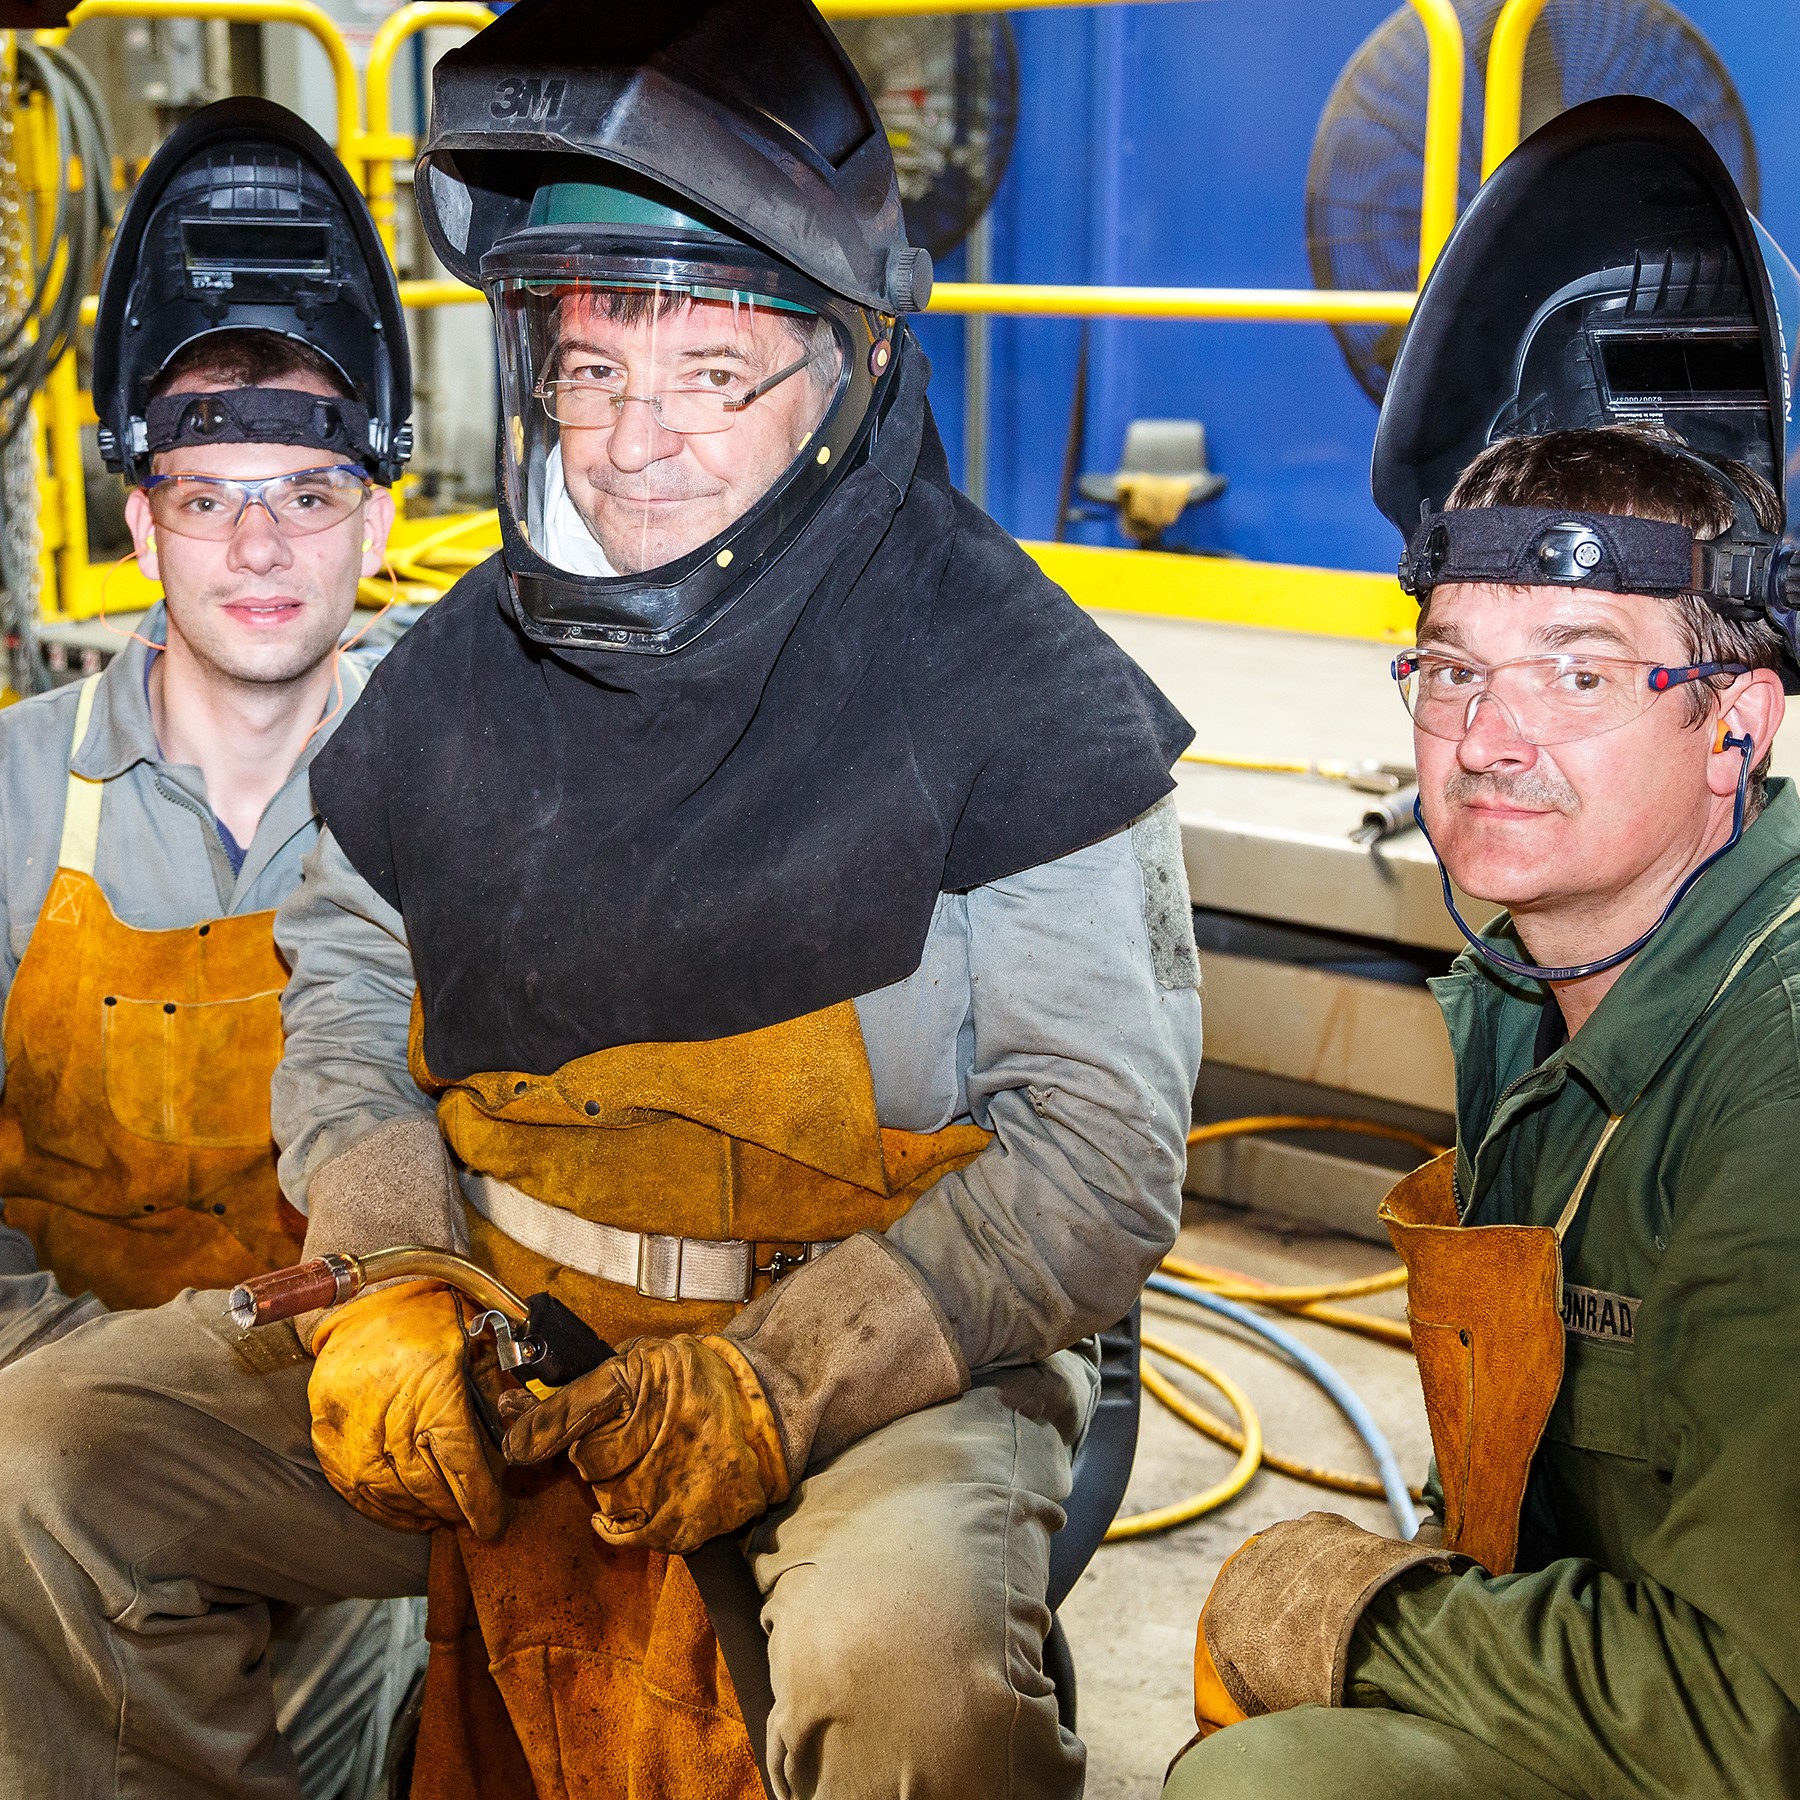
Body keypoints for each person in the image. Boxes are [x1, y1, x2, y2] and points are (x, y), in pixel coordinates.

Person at [0, 4, 1203, 1798]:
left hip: (867, 1354)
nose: (633, 440)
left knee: (910, 1677)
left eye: (709, 372)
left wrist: (785, 1379)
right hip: (498, 1319)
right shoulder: (457, 675)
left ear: (847, 370)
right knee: (53, 1457)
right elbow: (342, 999)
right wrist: (398, 1272)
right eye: (591, 368)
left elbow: (1098, 1153)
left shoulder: (1013, 691)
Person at [1165, 97, 1800, 1799]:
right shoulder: (1536, 986)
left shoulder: (1778, 1082)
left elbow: (1753, 1713)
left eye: (1584, 670)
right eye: (1454, 667)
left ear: (1737, 718)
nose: (1491, 736)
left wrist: (1374, 1614)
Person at [0, 99, 424, 1797]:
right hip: (45, 1464)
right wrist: (80, 1406)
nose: (260, 542)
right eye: (212, 489)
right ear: (143, 515)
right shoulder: (21, 797)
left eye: (310, 489)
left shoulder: (472, 793)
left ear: (381, 519)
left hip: (381, 1442)